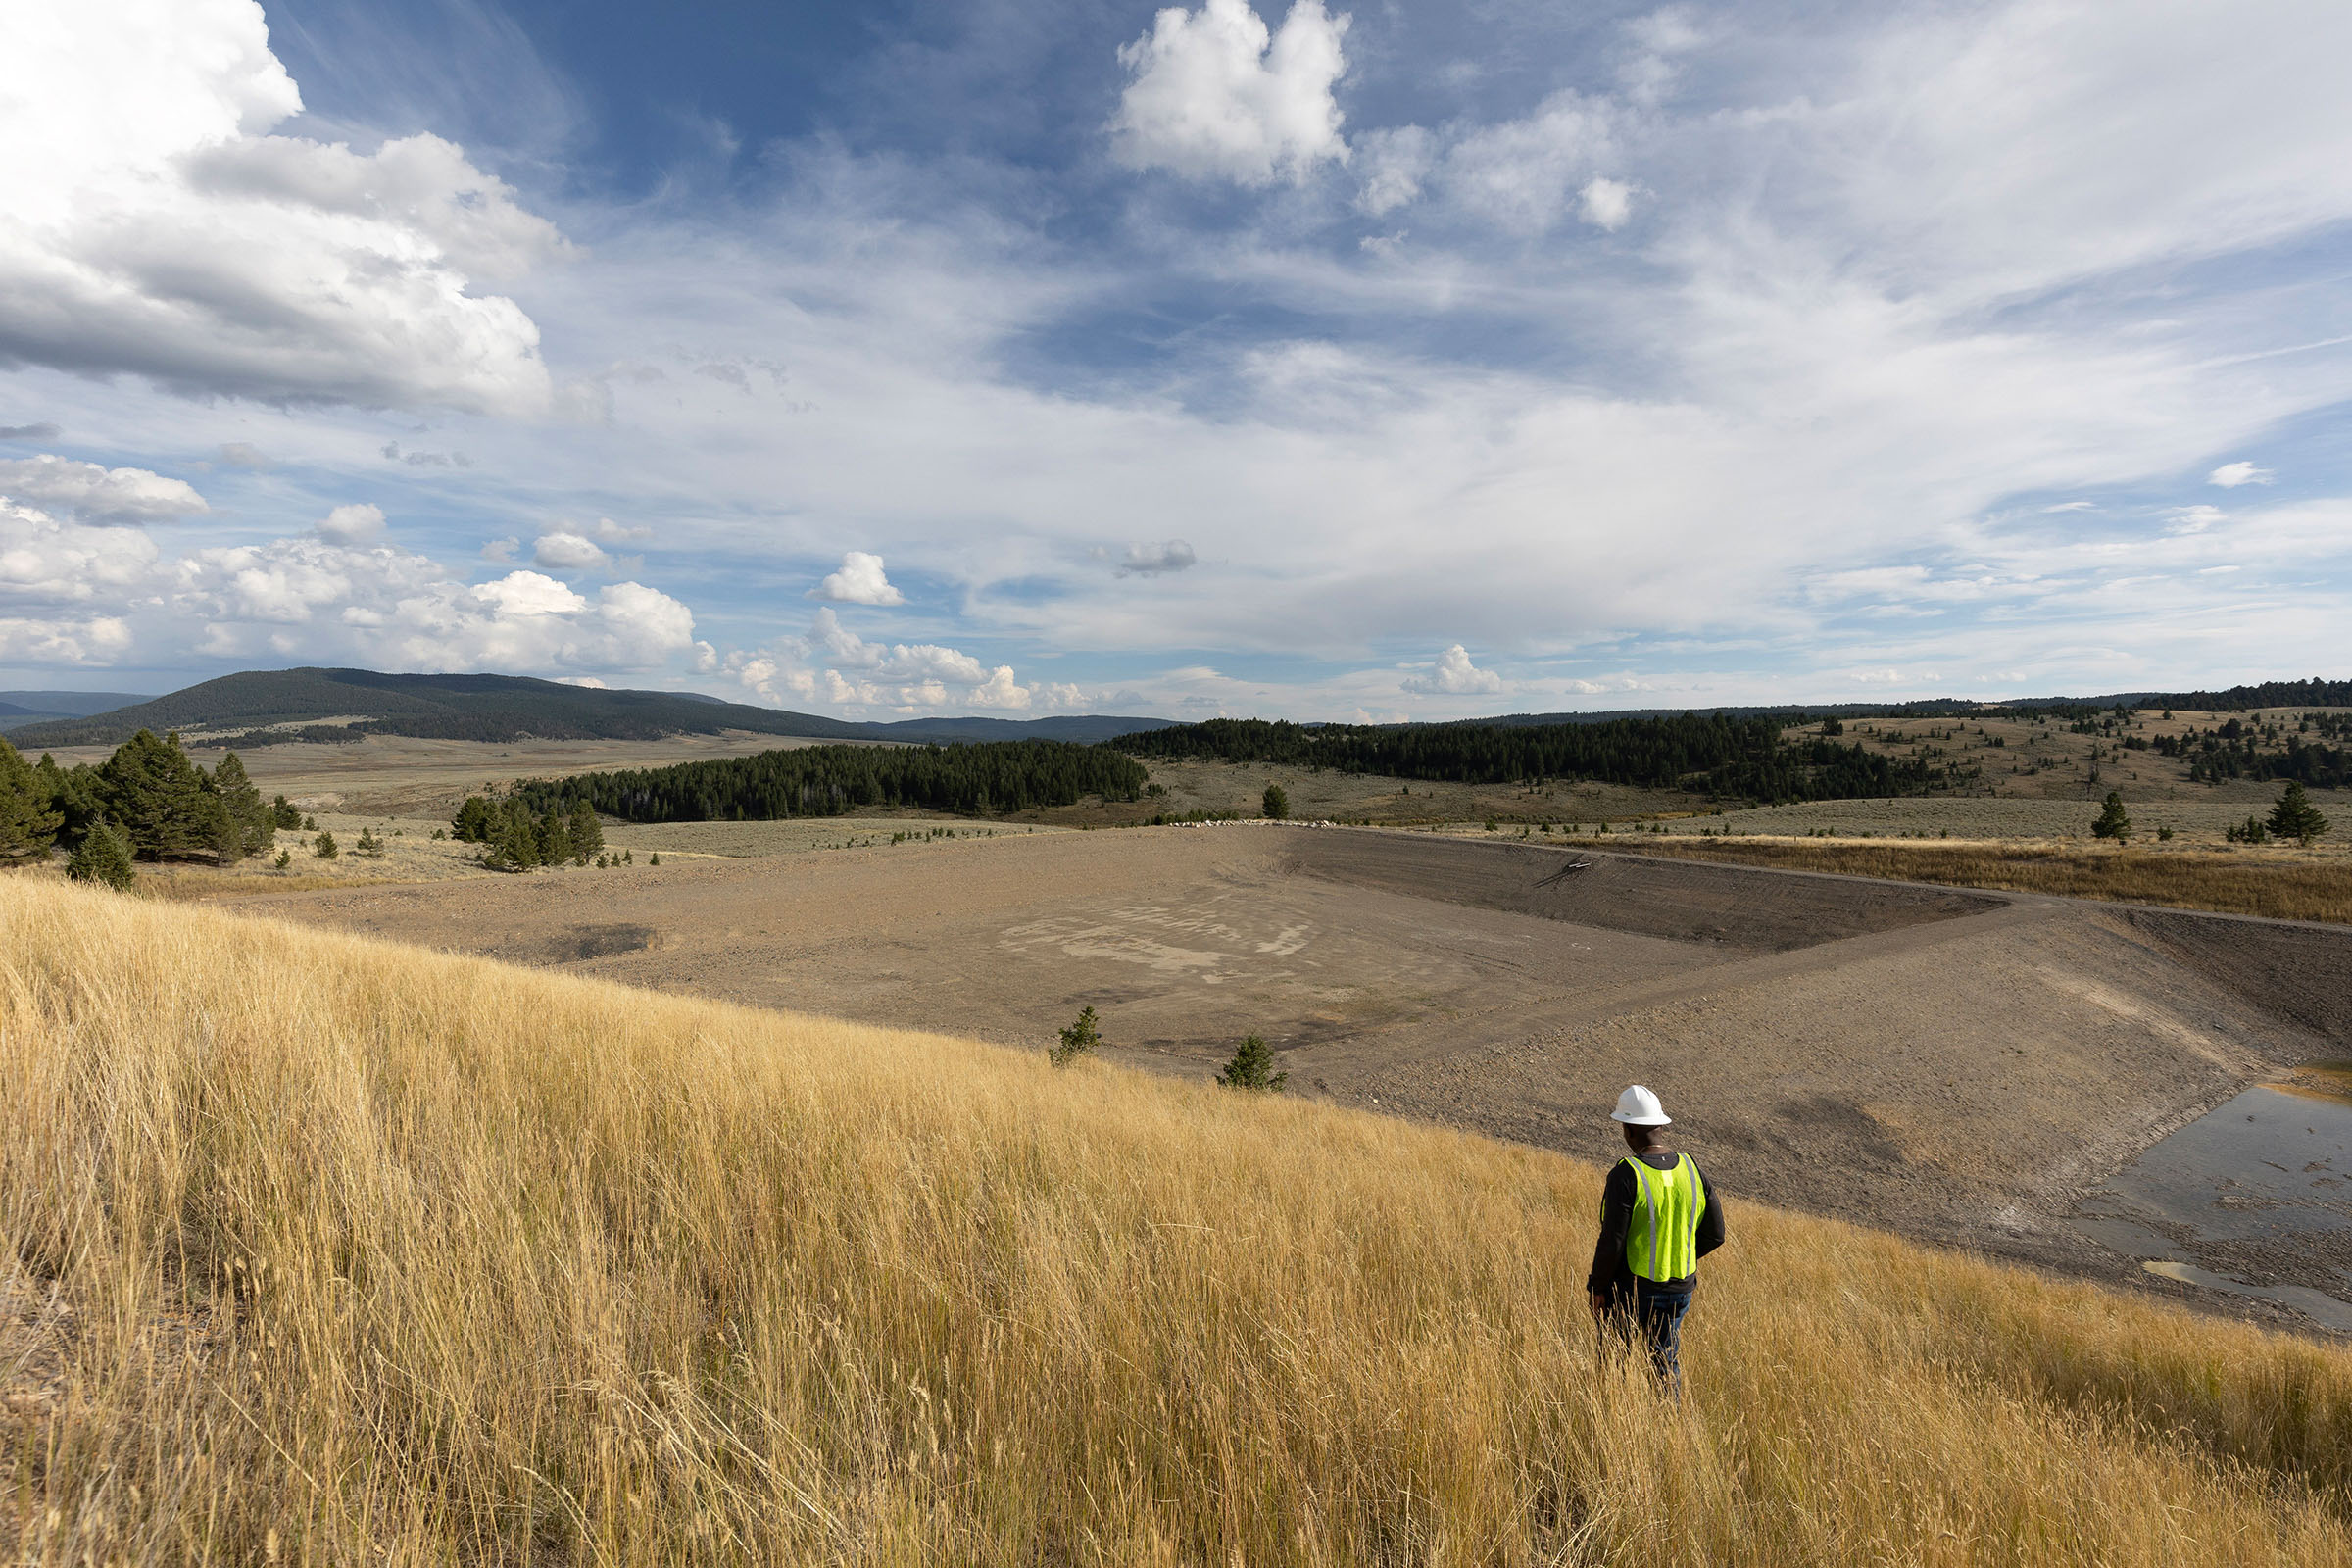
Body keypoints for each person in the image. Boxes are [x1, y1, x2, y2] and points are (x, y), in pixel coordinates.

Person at [1587, 1084, 1724, 1393]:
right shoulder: (1692, 1169)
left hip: (1632, 1288)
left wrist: (1597, 1286)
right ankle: (1667, 1431)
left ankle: (1613, 1424)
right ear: (1660, 1125)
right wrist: (1679, 1254)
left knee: (1613, 1362)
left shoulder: (1626, 1173)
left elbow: (1613, 1241)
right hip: (1680, 1287)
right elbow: (1716, 1234)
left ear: (1629, 1129)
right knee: (1663, 1365)